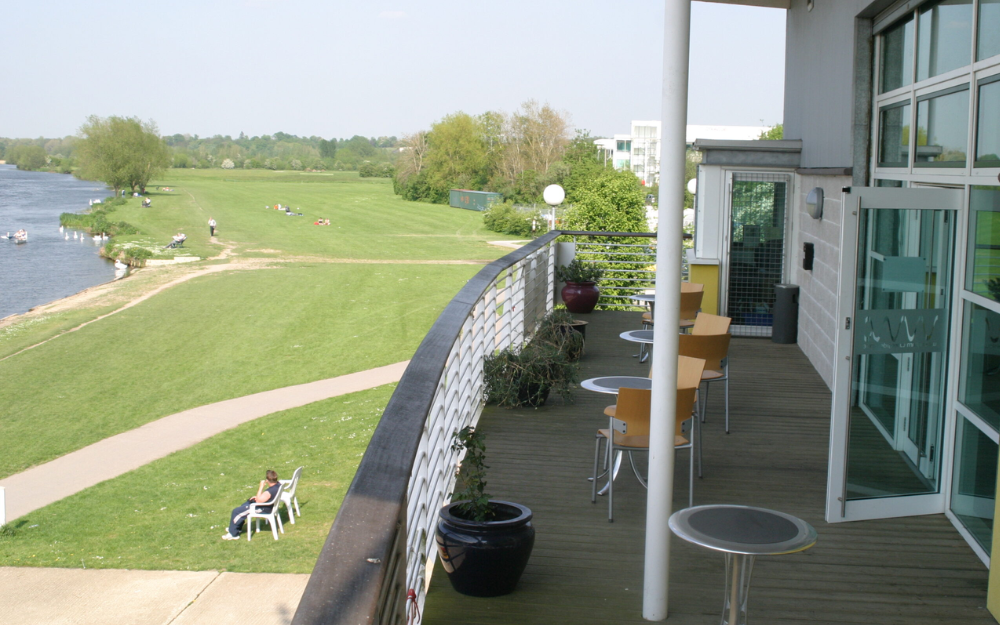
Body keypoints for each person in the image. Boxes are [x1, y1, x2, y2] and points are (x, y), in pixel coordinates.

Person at [222, 470, 280, 540]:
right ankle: (236, 528)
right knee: (245, 504)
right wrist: (257, 498)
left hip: (262, 509)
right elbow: (264, 498)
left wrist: (261, 487)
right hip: (267, 505)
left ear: (267, 480)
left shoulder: (270, 491)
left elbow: (258, 501)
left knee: (236, 511)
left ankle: (233, 534)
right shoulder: (278, 485)